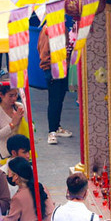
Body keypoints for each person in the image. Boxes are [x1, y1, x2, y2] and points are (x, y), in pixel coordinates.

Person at [36, 17, 72, 145]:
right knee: (54, 100)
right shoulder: (48, 30)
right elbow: (43, 52)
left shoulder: (63, 28)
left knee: (60, 98)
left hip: (62, 67)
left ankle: (56, 127)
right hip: (53, 69)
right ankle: (51, 131)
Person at [0, 83, 24, 163]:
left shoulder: (19, 107)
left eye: (16, 95)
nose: (14, 98)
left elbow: (30, 127)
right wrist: (12, 125)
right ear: (1, 95)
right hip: (1, 156)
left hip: (19, 153)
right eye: (10, 96)